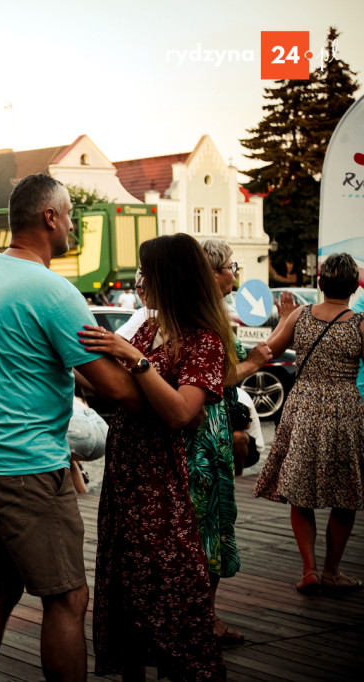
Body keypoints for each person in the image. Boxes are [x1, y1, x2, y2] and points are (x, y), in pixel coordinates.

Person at [0, 173, 141, 682]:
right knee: (68, 596)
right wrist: (144, 370)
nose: (72, 224)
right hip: (26, 464)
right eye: (69, 213)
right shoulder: (54, 291)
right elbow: (113, 389)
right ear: (49, 217)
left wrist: (18, 357)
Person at [79, 232, 236, 681]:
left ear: (170, 278)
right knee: (126, 587)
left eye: (146, 272)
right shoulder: (148, 327)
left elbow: (182, 414)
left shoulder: (203, 339)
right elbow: (111, 387)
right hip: (126, 474)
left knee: (170, 584)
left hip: (159, 478)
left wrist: (136, 361)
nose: (138, 280)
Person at [254, 252, 364, 594]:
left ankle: (309, 571)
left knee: (300, 492)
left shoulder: (300, 315)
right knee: (345, 493)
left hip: (302, 407)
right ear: (355, 286)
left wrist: (283, 321)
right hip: (344, 408)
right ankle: (332, 570)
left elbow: (265, 352)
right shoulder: (360, 323)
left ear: (319, 282)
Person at [185, 238, 272, 644]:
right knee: (208, 525)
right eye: (231, 267)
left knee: (198, 526)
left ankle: (194, 617)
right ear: (215, 272)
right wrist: (254, 362)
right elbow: (218, 377)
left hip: (198, 434)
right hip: (205, 435)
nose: (235, 273)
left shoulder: (190, 312)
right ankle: (205, 620)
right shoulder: (206, 319)